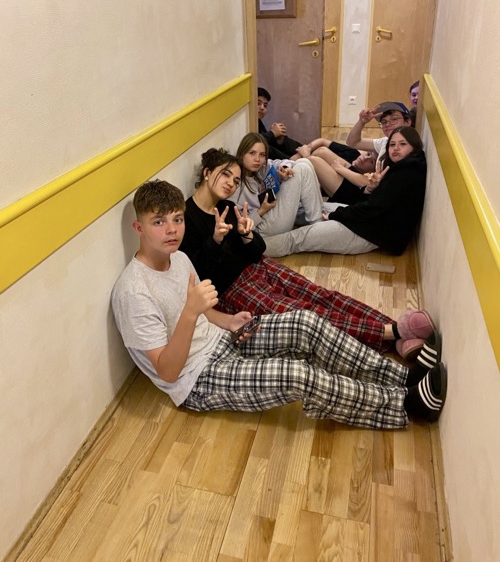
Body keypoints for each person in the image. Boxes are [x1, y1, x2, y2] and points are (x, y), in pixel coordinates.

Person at [111, 179, 447, 428]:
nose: (172, 230)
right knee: (296, 375)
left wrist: (228, 321)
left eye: (177, 219)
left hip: (222, 339)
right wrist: (190, 313)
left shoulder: (180, 259)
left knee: (306, 323)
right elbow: (167, 371)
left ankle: (402, 377)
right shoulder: (133, 292)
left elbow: (206, 312)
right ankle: (405, 404)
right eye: (159, 222)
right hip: (197, 378)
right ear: (139, 227)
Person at [180, 147, 434, 360]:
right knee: (306, 315)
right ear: (207, 173)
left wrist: (247, 235)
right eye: (225, 174)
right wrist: (215, 241)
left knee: (322, 295)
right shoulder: (186, 220)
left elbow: (257, 251)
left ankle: (392, 327)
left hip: (260, 266)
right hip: (232, 290)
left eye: (236, 180)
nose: (230, 183)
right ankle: (391, 333)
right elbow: (198, 275)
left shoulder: (227, 207)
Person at [263, 127, 426, 261]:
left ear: (414, 146)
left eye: (402, 144)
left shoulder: (407, 173)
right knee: (308, 209)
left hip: (368, 233)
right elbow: (372, 203)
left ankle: (254, 246)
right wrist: (371, 189)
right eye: (392, 144)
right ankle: (274, 227)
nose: (396, 148)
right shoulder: (403, 167)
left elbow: (371, 208)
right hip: (366, 222)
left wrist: (336, 215)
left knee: (296, 239)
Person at [229, 132, 323, 239]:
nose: (257, 159)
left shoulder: (261, 167)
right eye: (252, 153)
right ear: (242, 154)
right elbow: (240, 225)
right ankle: (318, 226)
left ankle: (319, 218)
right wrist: (261, 211)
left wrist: (285, 169)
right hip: (260, 227)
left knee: (304, 162)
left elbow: (279, 163)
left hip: (272, 212)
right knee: (302, 168)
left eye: (262, 155)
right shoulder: (236, 183)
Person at [346, 102, 412, 162]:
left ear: (407, 122)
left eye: (394, 119)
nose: (387, 124)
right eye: (384, 122)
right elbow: (353, 143)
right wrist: (362, 122)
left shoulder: (411, 145)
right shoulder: (385, 142)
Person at [258, 87, 302, 159]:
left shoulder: (259, 122)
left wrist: (277, 137)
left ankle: (304, 149)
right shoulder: (248, 122)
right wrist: (272, 133)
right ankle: (293, 159)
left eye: (265, 105)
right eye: (258, 103)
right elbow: (256, 143)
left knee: (284, 140)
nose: (262, 108)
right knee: (266, 147)